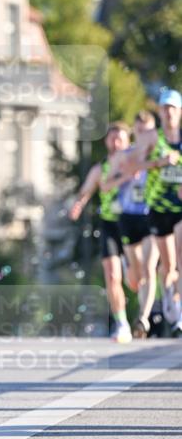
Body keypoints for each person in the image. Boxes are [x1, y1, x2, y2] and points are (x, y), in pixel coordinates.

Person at [69, 123, 131, 342]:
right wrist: (78, 205)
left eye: (120, 139)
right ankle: (122, 323)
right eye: (112, 139)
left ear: (128, 141)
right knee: (113, 276)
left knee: (134, 280)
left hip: (134, 225)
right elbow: (85, 191)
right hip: (110, 225)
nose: (116, 143)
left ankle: (151, 313)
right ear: (106, 141)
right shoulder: (100, 168)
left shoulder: (136, 165)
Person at [101, 111, 159, 339]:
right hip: (128, 218)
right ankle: (132, 272)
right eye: (140, 131)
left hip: (152, 216)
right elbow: (106, 185)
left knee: (149, 266)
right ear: (135, 132)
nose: (144, 135)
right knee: (135, 278)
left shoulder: (162, 153)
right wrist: (127, 175)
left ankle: (142, 319)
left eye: (148, 131)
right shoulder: (125, 156)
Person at [134, 88, 182, 334]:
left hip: (180, 207)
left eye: (172, 108)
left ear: (180, 111)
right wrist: (159, 162)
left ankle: (180, 314)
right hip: (158, 207)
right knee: (169, 266)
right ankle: (170, 301)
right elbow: (135, 164)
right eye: (164, 108)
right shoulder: (152, 137)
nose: (168, 112)